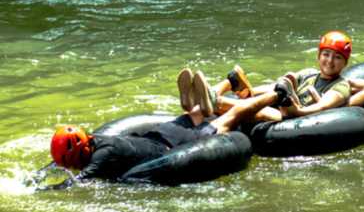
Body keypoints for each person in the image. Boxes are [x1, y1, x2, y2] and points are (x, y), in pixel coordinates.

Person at [48, 69, 294, 182]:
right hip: (160, 134)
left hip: (172, 146)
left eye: (70, 162)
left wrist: (42, 192)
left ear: (81, 152)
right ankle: (225, 85)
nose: (70, 167)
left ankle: (276, 94)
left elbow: (77, 184)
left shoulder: (103, 155)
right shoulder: (97, 141)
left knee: (228, 120)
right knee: (198, 114)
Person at [198, 31, 355, 122]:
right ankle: (215, 92)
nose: (329, 61)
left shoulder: (341, 85)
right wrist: (253, 92)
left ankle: (213, 100)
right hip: (283, 106)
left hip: (293, 118)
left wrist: (297, 111)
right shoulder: (309, 74)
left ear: (345, 63)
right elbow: (272, 88)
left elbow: (322, 107)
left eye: (337, 57)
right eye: (326, 54)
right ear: (319, 56)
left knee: (262, 111)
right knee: (264, 91)